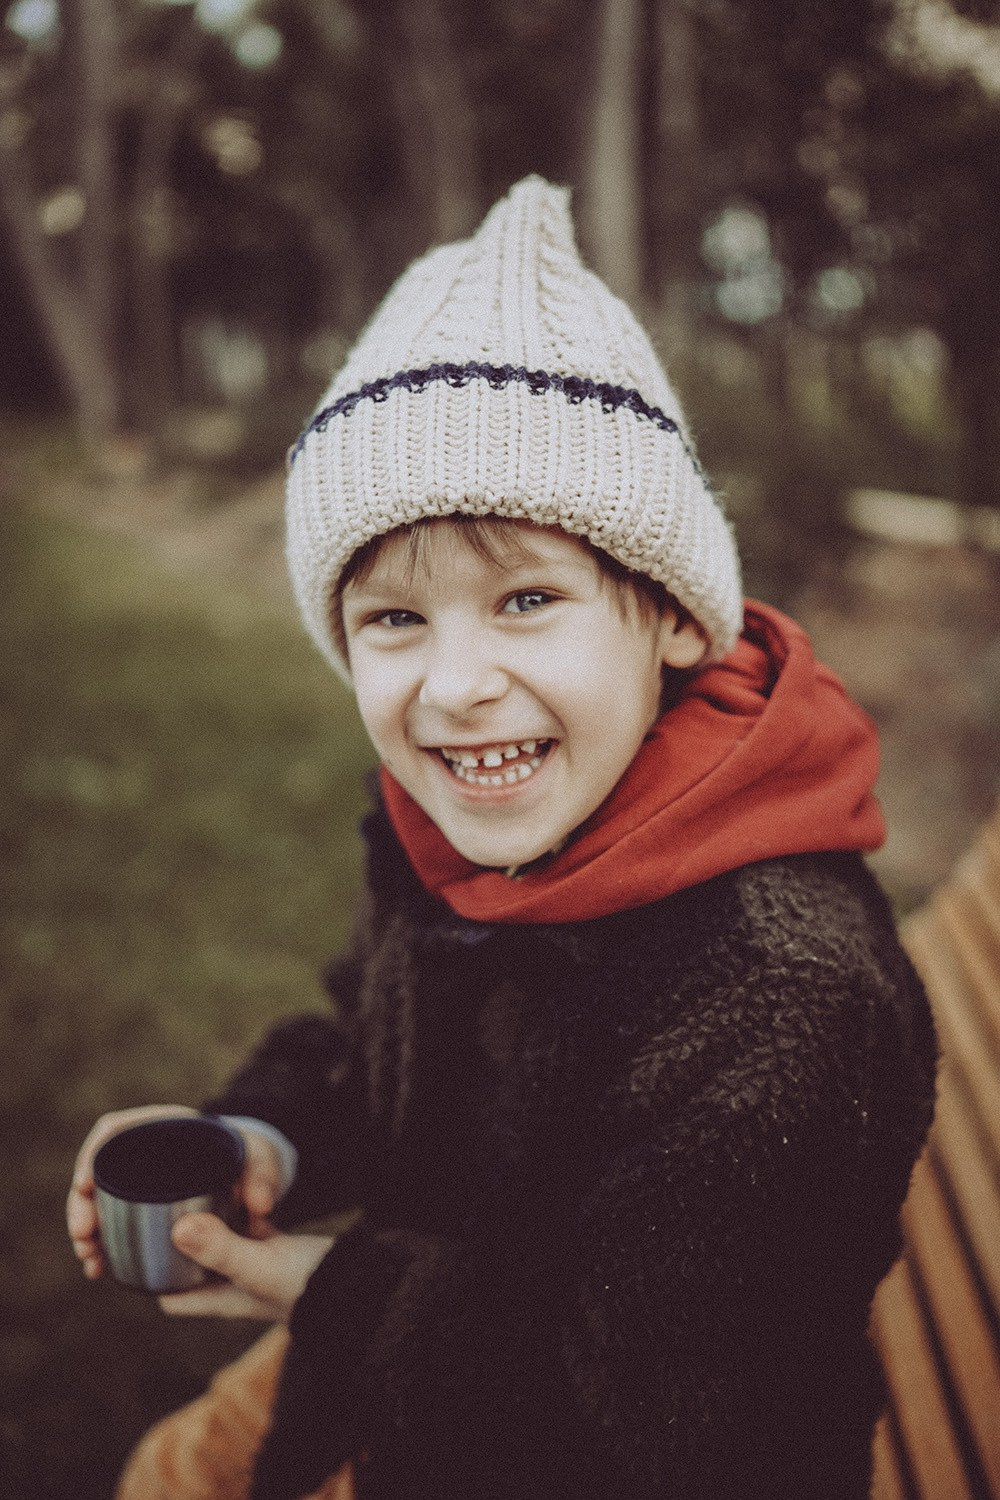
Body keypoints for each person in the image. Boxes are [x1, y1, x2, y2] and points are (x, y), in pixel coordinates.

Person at [67, 176, 937, 1500]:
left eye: (526, 598)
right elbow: (376, 1039)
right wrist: (264, 1143)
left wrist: (338, 1292)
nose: (456, 683)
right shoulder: (456, 818)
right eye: (394, 621)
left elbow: (668, 1420)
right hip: (427, 1411)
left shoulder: (780, 987)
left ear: (674, 621)